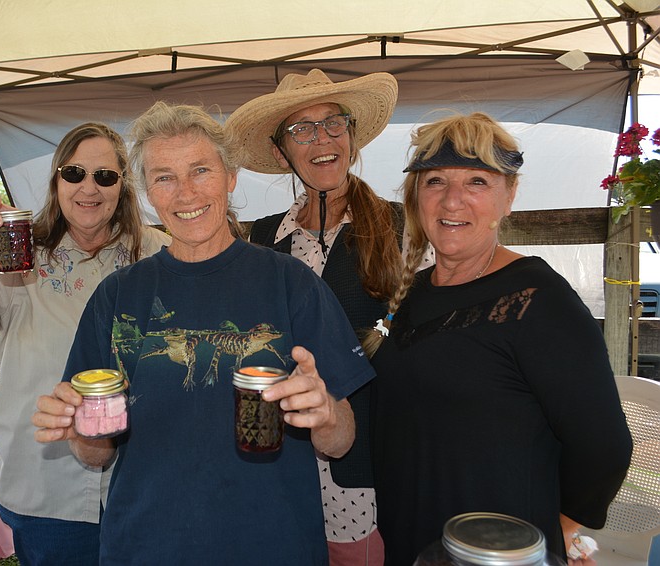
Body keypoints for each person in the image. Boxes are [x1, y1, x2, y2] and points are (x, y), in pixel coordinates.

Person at [32, 101, 376, 564]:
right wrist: (78, 427)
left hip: (275, 546)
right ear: (148, 191)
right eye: (164, 177)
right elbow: (97, 454)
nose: (185, 193)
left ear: (230, 176)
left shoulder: (292, 283)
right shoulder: (118, 297)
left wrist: (328, 414)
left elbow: (342, 440)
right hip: (145, 548)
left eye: (200, 170)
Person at [363, 111, 633, 565]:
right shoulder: (411, 294)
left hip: (496, 551)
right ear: (416, 196)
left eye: (477, 182)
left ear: (510, 196)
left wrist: (559, 529)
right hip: (412, 540)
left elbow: (604, 444)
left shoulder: (538, 299)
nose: (452, 202)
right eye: (435, 182)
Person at [0, 122, 171, 565]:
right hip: (46, 484)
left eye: (104, 176)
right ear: (56, 180)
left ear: (123, 186)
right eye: (75, 173)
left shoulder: (157, 255)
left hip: (143, 482)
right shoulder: (20, 253)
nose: (88, 187)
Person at [227, 68, 408, 565]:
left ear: (351, 135)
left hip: (368, 468)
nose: (321, 139)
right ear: (283, 151)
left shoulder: (402, 227)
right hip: (278, 466)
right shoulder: (258, 239)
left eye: (334, 123)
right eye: (301, 129)